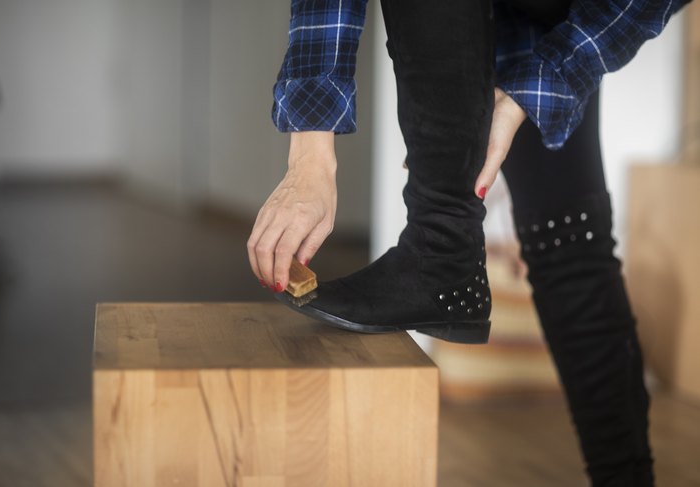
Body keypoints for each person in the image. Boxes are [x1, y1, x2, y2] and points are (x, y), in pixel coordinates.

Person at [248, 0, 690, 484]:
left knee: (568, 240)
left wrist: (535, 89)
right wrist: (311, 153)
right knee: (568, 244)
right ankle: (442, 252)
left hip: (560, 18)